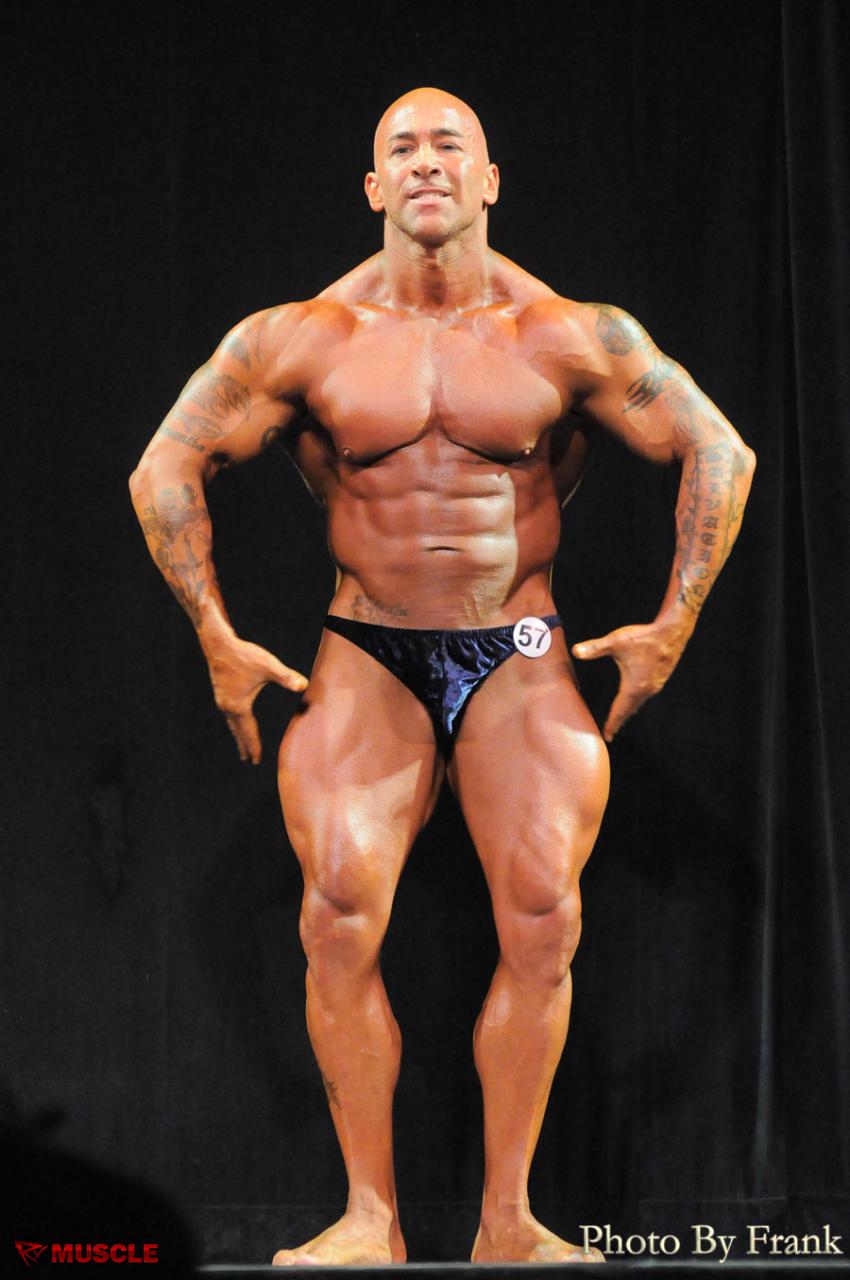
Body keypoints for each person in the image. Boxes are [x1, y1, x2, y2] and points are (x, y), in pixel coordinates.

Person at [129, 87, 755, 1266]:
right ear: (373, 186)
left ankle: (507, 1218)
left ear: (488, 178)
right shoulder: (302, 337)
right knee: (335, 914)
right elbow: (165, 464)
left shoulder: (565, 333)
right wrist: (212, 627)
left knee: (545, 916)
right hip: (368, 646)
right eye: (402, 148)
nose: (426, 162)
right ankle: (369, 1215)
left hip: (516, 646)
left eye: (448, 145)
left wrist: (674, 622)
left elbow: (718, 448)